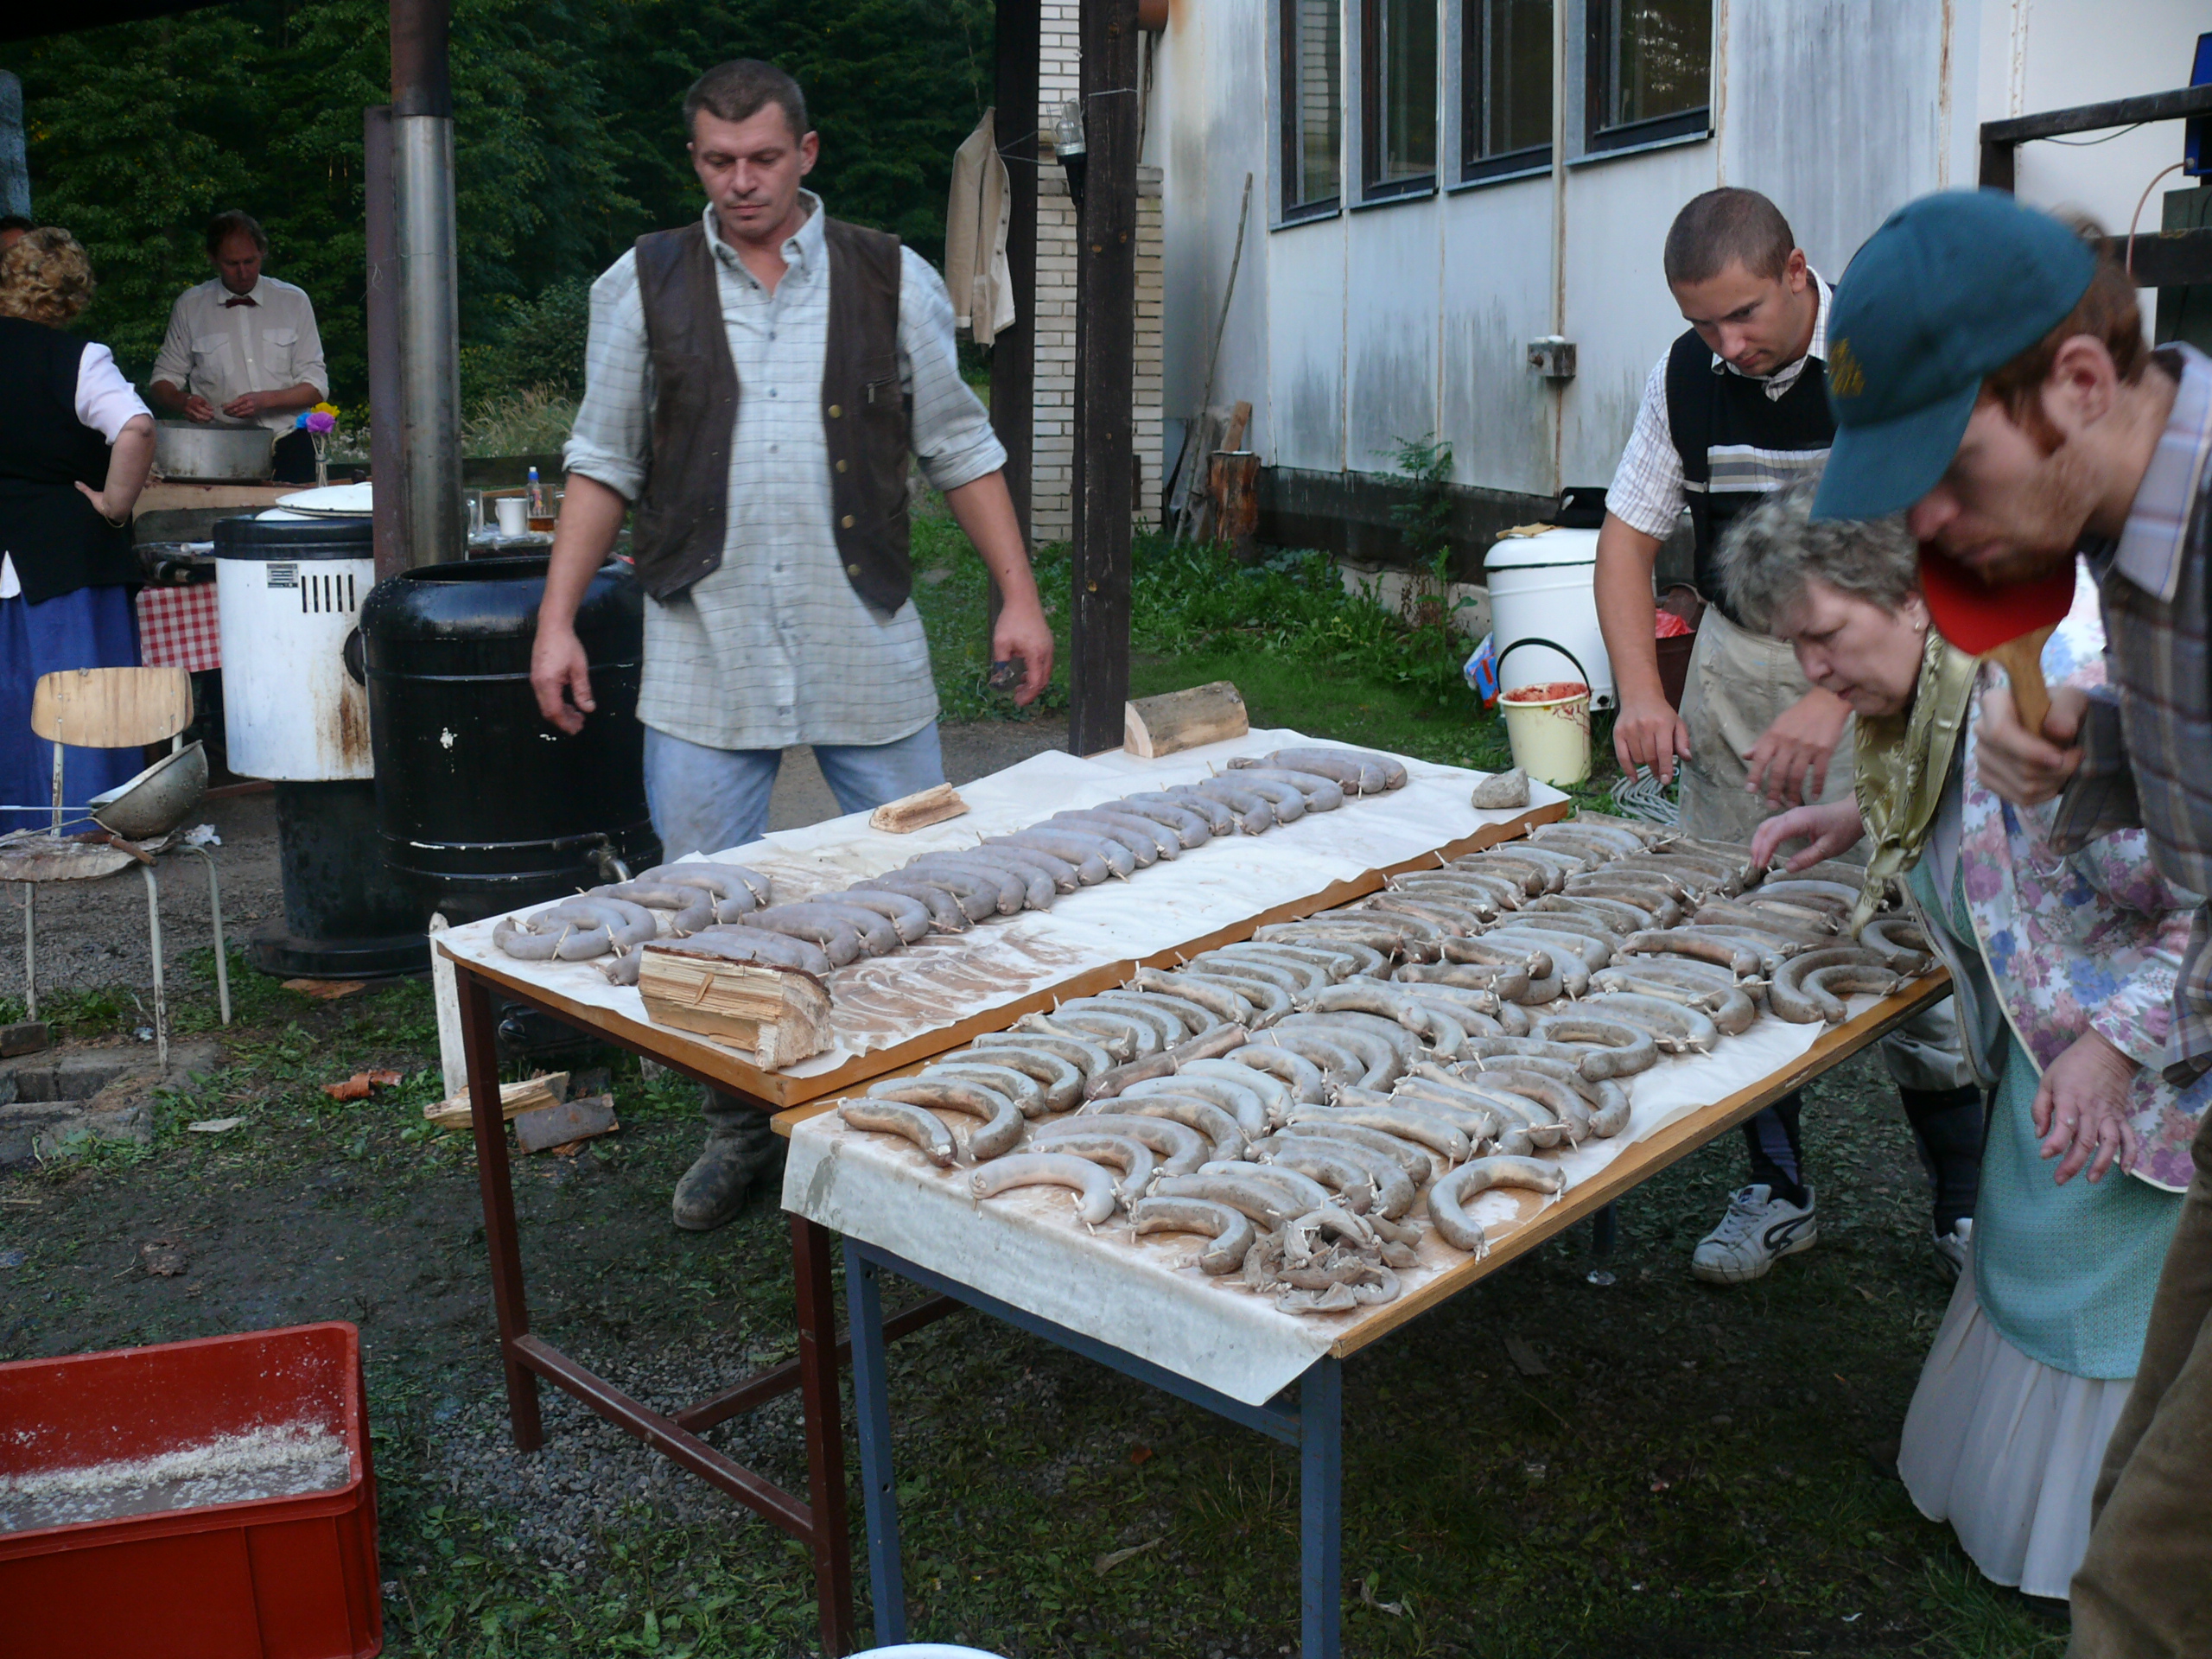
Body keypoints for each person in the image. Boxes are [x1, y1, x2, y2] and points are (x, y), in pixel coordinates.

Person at [529, 59, 1055, 1233]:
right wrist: (556, 621)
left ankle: (914, 1112)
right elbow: (602, 462)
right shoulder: (641, 282)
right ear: (695, 160)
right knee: (705, 911)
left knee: (930, 887)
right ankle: (739, 1126)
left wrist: (1018, 598)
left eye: (763, 158)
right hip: (702, 646)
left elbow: (960, 447)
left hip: (861, 631)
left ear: (805, 153)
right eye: (719, 162)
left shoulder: (890, 275)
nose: (742, 182)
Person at [1811, 187, 2212, 1659]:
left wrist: (2117, 1036)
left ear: (2082, 382)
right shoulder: (2130, 535)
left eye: (1948, 470)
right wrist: (2096, 754)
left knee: (2146, 1589)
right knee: (2145, 1524)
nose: (1922, 524)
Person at [1724, 480, 2198, 1601]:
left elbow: (2202, 901)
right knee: (2030, 1263)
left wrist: (2112, 1050)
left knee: (2101, 1302)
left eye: (1825, 636)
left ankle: (2113, 1543)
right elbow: (1969, 802)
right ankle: (2024, 1510)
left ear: (1911, 597)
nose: (1813, 672)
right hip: (2053, 1051)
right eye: (1795, 647)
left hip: (2155, 1071)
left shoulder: (2057, 689)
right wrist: (1858, 818)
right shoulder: (1947, 685)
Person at [1594, 187, 1979, 1286]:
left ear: (1799, 271)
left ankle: (1962, 1206)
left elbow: (1941, 542)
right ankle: (1775, 1189)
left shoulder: (1881, 357)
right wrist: (1641, 692)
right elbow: (1626, 539)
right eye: (1702, 322)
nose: (1727, 344)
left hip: (1886, 666)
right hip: (1737, 669)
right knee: (1735, 935)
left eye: (1744, 314)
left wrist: (1835, 694)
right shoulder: (1685, 375)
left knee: (1911, 939)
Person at [0, 228, 156, 834]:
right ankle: (86, 826)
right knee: (81, 697)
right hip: (68, 556)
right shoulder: (79, 359)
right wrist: (114, 504)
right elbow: (136, 428)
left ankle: (14, 826)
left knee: (12, 696)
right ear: (73, 295)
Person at [148, 210, 328, 485]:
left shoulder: (294, 301)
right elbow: (161, 381)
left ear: (263, 252)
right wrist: (183, 402)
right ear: (212, 258)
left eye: (250, 261)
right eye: (232, 263)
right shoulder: (191, 305)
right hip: (218, 449)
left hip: (291, 441)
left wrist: (264, 401)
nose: (243, 272)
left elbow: (317, 386)